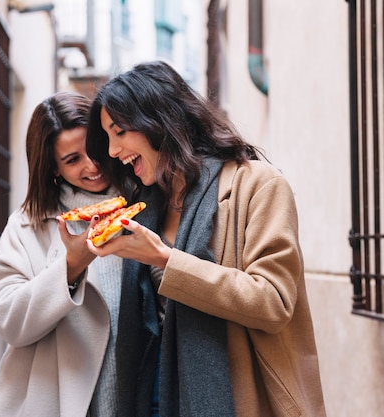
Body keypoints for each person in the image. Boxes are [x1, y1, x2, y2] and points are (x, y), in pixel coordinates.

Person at [85, 61, 327, 417]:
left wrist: (166, 261)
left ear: (160, 120)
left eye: (119, 132)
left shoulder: (257, 185)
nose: (112, 151)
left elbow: (273, 302)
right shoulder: (144, 206)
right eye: (108, 138)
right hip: (152, 393)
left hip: (235, 394)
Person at [0, 91, 124, 417]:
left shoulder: (146, 204)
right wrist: (70, 268)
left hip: (139, 391)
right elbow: (8, 321)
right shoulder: (27, 224)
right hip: (57, 400)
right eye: (72, 159)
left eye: (94, 147)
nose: (92, 165)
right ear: (54, 169)